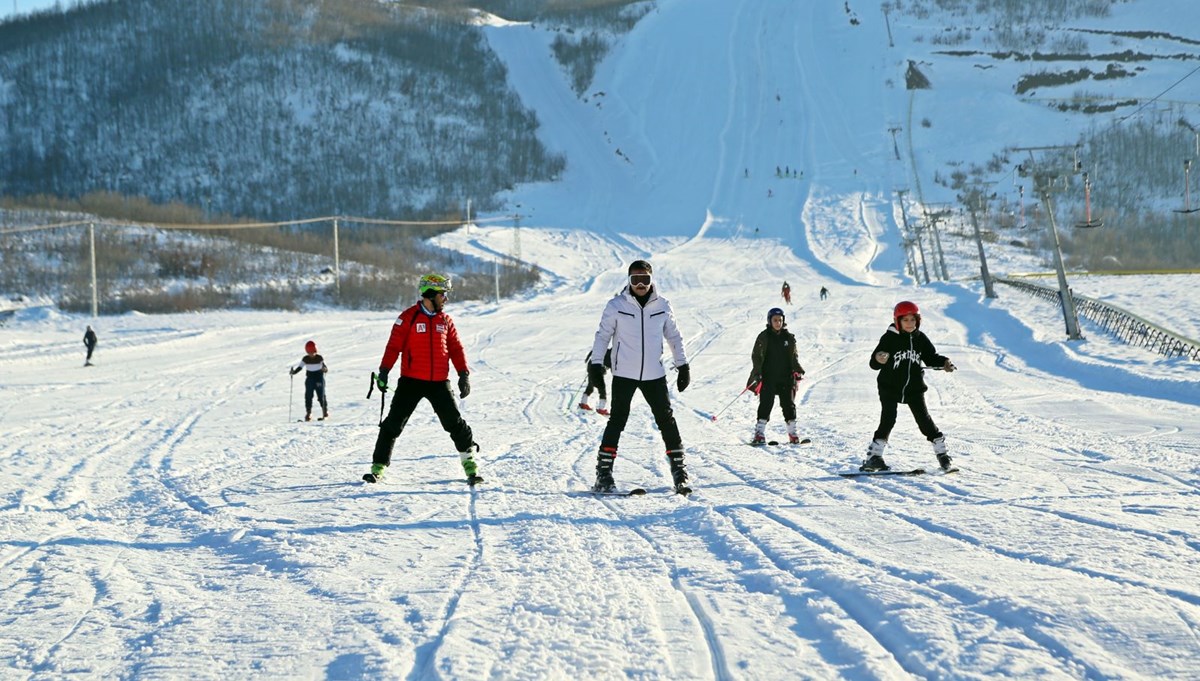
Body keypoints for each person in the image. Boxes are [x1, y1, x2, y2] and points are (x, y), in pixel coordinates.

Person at [364, 273, 481, 485]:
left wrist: (463, 374)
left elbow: (456, 348)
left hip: (439, 382)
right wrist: (384, 371)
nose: (445, 299)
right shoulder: (408, 317)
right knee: (392, 425)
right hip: (411, 381)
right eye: (442, 295)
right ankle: (378, 467)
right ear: (430, 294)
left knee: (454, 423)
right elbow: (393, 347)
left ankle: (470, 465)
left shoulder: (445, 321)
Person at [589, 260, 692, 494]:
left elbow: (674, 337)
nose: (641, 284)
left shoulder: (663, 306)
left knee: (666, 419)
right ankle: (604, 474)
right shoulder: (616, 305)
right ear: (628, 281)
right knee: (617, 420)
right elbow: (603, 335)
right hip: (624, 373)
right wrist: (596, 364)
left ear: (652, 279)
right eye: (636, 280)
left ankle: (679, 472)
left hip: (654, 374)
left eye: (645, 279)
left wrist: (682, 365)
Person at [862, 301, 956, 472]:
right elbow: (874, 363)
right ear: (898, 321)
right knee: (888, 419)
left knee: (924, 421)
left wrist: (944, 362)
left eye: (913, 320)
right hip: (889, 386)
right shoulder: (889, 338)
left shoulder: (920, 338)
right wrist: (879, 358)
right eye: (905, 320)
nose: (910, 324)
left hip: (914, 388)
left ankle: (942, 455)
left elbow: (931, 357)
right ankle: (874, 457)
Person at [746, 308, 806, 445]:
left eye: (780, 320)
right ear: (770, 321)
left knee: (789, 405)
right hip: (768, 377)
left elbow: (794, 358)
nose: (778, 322)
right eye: (775, 320)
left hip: (786, 377)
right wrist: (757, 373)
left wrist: (797, 370)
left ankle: (793, 434)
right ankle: (759, 434)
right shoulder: (764, 337)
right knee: (766, 404)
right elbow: (756, 356)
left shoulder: (789, 338)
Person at [289, 340, 329, 421]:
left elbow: (325, 367)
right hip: (310, 379)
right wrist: (294, 372)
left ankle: (325, 412)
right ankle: (309, 413)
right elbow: (300, 367)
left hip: (319, 378)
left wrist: (325, 369)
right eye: (310, 352)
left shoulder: (319, 358)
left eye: (313, 352)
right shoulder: (305, 359)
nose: (311, 354)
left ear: (315, 351)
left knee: (321, 395)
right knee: (308, 396)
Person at [579, 347, 612, 415]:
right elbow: (611, 365)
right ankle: (601, 409)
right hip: (596, 371)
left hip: (591, 367)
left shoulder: (604, 350)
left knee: (590, 386)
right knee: (602, 389)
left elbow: (593, 350)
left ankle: (583, 403)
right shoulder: (610, 354)